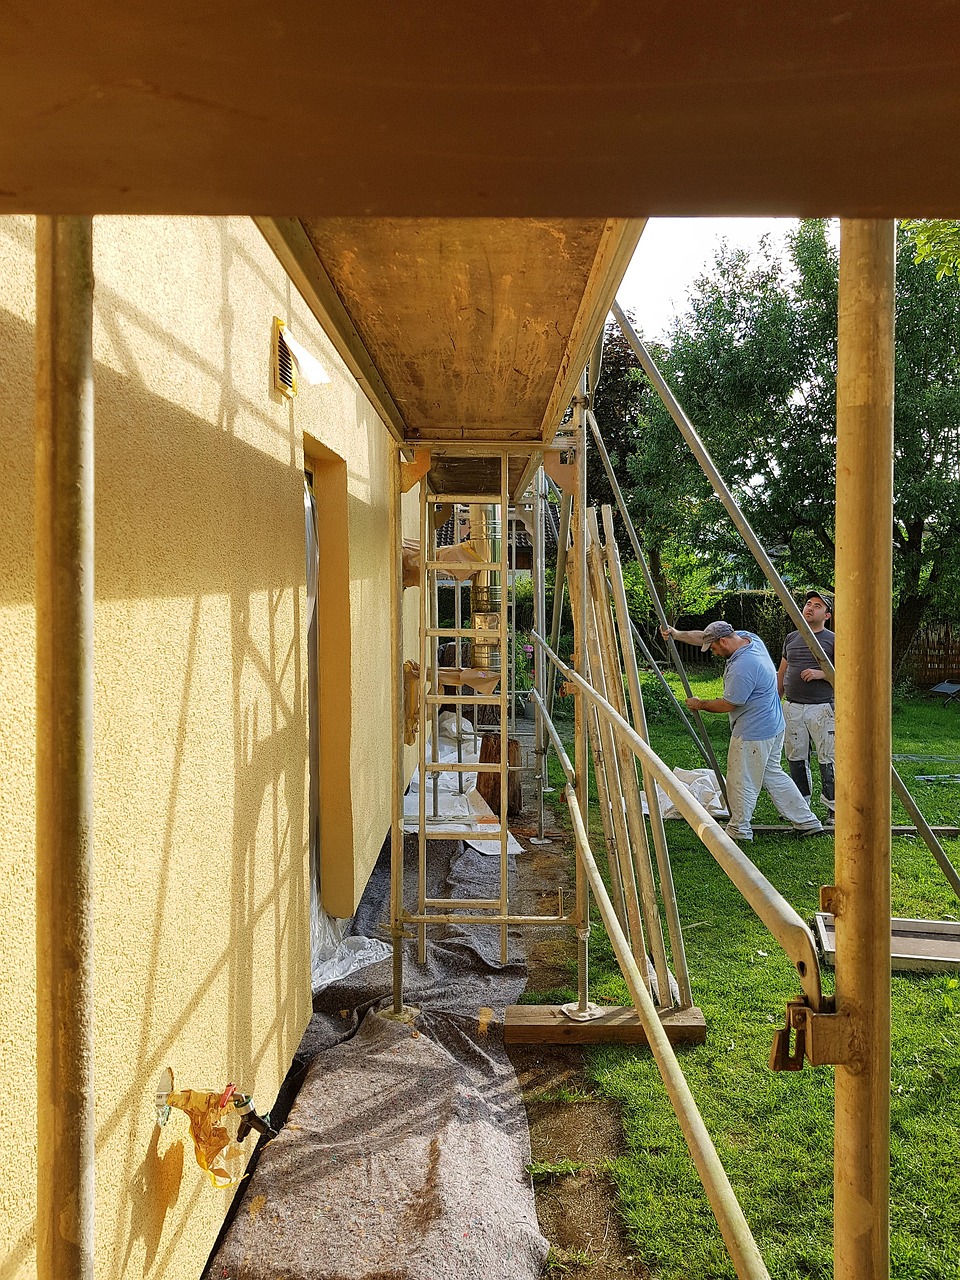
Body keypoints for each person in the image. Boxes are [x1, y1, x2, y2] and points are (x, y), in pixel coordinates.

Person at [661, 619, 824, 843]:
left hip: (754, 731)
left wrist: (700, 704)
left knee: (740, 780)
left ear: (725, 641)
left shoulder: (743, 665)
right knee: (772, 773)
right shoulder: (748, 638)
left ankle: (739, 829)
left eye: (716, 648)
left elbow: (730, 703)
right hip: (773, 724)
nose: (714, 653)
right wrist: (677, 634)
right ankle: (807, 821)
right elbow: (706, 636)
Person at [777, 590, 835, 819]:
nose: (810, 608)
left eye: (818, 606)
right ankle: (801, 805)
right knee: (795, 756)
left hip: (821, 708)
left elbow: (848, 675)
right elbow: (782, 672)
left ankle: (834, 809)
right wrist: (776, 700)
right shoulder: (792, 638)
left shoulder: (832, 640)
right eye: (808, 603)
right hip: (792, 707)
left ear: (827, 615)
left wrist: (821, 673)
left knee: (828, 758)